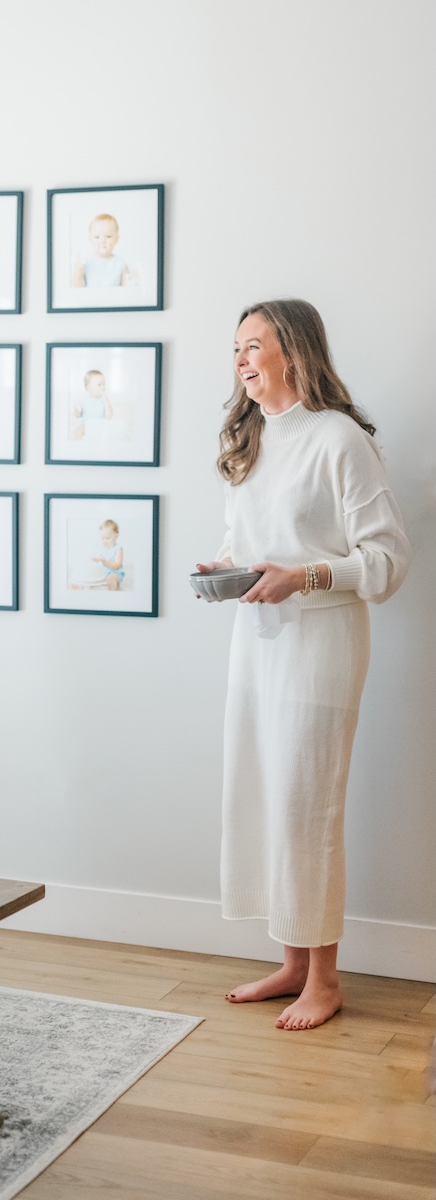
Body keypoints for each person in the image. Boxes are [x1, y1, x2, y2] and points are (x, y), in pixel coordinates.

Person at [197, 298, 410, 1031]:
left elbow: (385, 562)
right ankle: (290, 962)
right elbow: (248, 540)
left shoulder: (337, 439)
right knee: (261, 795)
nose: (240, 359)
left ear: (291, 348)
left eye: (252, 345)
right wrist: (223, 568)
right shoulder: (249, 439)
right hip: (255, 642)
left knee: (307, 804)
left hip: (320, 644)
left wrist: (304, 576)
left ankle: (325, 978)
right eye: (234, 348)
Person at [72, 214, 130, 288]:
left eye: (108, 236)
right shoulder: (86, 263)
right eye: (97, 237)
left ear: (116, 239)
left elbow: (127, 289)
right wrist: (78, 271)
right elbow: (77, 287)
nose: (102, 241)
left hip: (114, 299)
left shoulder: (121, 263)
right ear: (90, 239)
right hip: (91, 298)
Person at [72, 369, 114, 440]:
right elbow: (78, 416)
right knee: (79, 430)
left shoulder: (104, 400)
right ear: (89, 388)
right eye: (99, 385)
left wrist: (106, 402)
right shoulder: (82, 401)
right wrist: (77, 411)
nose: (103, 387)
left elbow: (109, 417)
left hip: (100, 425)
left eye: (104, 384)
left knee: (110, 431)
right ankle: (78, 447)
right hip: (86, 425)